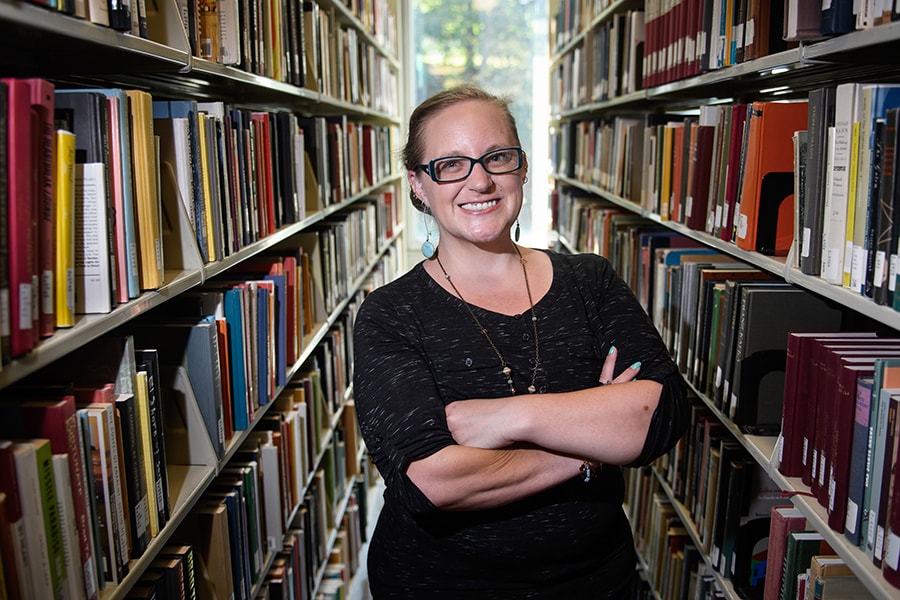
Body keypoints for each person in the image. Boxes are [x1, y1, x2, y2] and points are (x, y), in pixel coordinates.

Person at [352, 84, 689, 598]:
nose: (480, 180)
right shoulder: (389, 313)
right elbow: (430, 483)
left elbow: (660, 414)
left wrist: (507, 419)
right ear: (419, 185)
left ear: (523, 167)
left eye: (497, 157)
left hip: (596, 584)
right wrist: (589, 448)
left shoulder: (589, 281)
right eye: (450, 165)